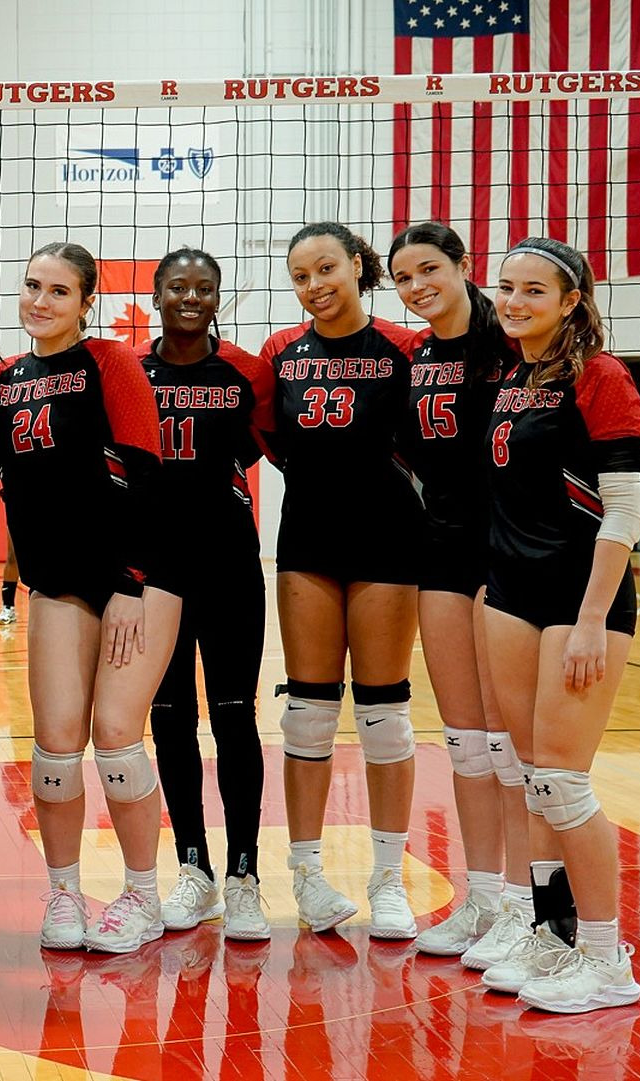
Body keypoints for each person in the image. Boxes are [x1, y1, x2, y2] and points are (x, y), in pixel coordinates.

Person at [477, 238, 640, 1014]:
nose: (514, 302)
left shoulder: (599, 376)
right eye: (507, 287)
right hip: (511, 592)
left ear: (571, 298)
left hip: (579, 600)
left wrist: (588, 621)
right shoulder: (514, 373)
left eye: (534, 290)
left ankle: (609, 959)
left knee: (563, 783)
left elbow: (627, 508)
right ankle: (555, 932)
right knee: (531, 778)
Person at [0, 243, 177, 954]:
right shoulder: (6, 379)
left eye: (59, 291)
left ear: (85, 302)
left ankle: (142, 895)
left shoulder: (109, 362)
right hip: (58, 579)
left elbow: (143, 469)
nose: (41, 300)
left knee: (118, 739)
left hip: (141, 576)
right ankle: (64, 892)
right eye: (32, 285)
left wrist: (131, 582)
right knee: (55, 746)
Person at [258, 221, 423, 940]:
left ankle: (388, 878)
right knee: (309, 712)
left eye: (326, 268)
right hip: (308, 540)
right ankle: (307, 874)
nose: (315, 285)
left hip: (389, 536)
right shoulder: (280, 354)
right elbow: (271, 439)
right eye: (301, 276)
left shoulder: (405, 348)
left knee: (385, 714)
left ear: (358, 265)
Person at [386, 223, 527, 960]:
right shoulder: (414, 356)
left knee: (507, 741)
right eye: (403, 277)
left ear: (465, 265)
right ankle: (484, 898)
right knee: (466, 740)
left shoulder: (509, 342)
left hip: (505, 550)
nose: (416, 288)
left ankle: (528, 906)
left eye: (429, 269)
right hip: (438, 549)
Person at [138, 248, 276, 941]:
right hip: (157, 572)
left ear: (218, 297)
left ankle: (244, 874)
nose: (190, 297)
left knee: (233, 715)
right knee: (168, 714)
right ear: (157, 293)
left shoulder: (246, 370)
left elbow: (257, 449)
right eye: (177, 286)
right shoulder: (132, 372)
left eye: (204, 288)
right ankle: (192, 866)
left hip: (229, 565)